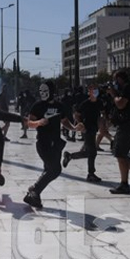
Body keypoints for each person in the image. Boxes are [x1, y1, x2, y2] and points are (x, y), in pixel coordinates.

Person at [23, 80, 79, 208]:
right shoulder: (37, 106)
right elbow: (29, 123)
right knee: (55, 170)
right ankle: (34, 190)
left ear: (52, 91)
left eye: (46, 91)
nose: (43, 94)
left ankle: (34, 196)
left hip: (56, 144)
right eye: (41, 91)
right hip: (43, 143)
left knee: (48, 170)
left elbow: (64, 121)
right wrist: (38, 123)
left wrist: (75, 128)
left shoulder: (60, 106)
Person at [62, 84, 102, 182]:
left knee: (90, 152)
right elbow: (77, 114)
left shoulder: (99, 102)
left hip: (94, 129)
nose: (94, 92)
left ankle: (70, 156)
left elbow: (101, 115)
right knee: (92, 152)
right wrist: (80, 125)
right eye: (92, 90)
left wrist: (102, 126)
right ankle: (91, 174)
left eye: (95, 90)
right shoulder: (85, 103)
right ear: (89, 92)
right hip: (86, 129)